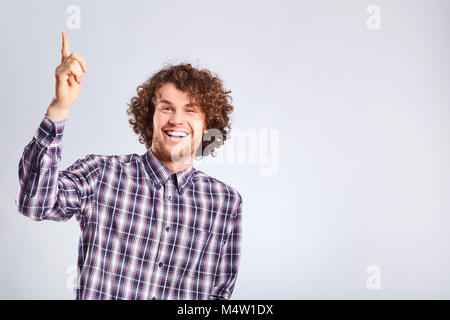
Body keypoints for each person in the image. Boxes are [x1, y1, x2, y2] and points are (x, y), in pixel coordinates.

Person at [15, 32, 242, 300]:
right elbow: (35, 203)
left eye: (190, 110)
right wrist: (59, 107)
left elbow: (219, 295)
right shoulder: (101, 174)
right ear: (150, 116)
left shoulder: (225, 202)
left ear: (208, 124)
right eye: (166, 108)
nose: (177, 120)